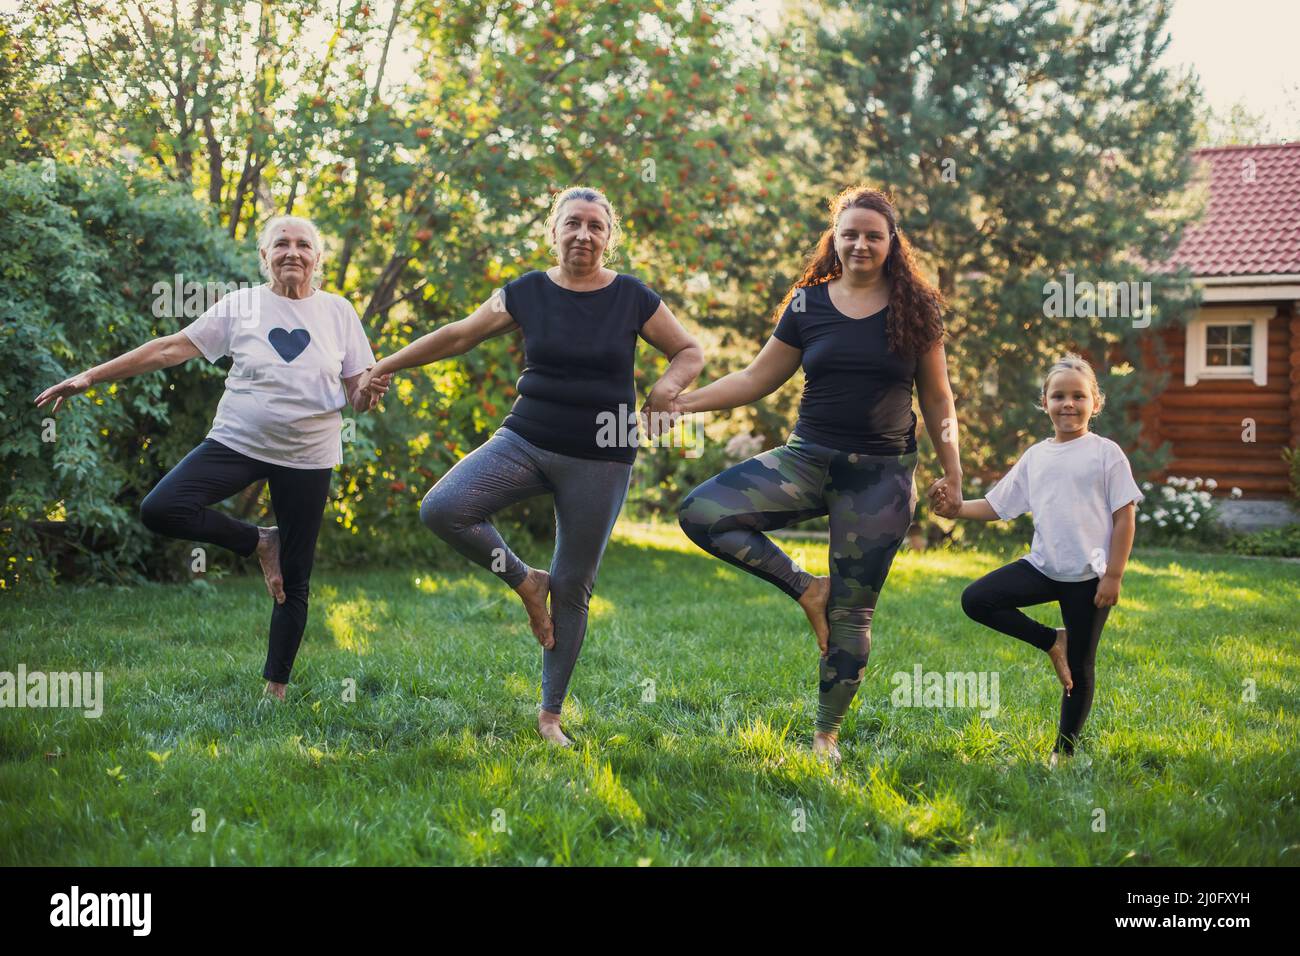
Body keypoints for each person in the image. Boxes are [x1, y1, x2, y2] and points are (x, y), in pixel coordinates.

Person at [357, 186, 703, 745]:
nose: (583, 235)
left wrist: (665, 388)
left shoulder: (633, 297)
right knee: (444, 508)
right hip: (525, 437)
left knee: (574, 585)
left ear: (608, 238)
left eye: (595, 226)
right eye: (573, 224)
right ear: (554, 231)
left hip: (602, 452)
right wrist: (385, 366)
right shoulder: (527, 292)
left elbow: (689, 350)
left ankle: (550, 716)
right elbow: (459, 335)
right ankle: (524, 580)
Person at [34, 215, 391, 700]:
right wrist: (90, 378)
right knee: (161, 508)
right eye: (280, 244)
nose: (292, 252)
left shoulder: (338, 312)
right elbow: (168, 349)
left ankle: (275, 689)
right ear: (264, 257)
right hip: (236, 442)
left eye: (303, 245)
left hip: (308, 457)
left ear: (317, 258)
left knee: (296, 576)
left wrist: (368, 392)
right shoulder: (243, 306)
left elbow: (356, 393)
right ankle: (258, 541)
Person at [674, 185, 962, 763]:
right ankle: (808, 589)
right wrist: (682, 405)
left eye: (872, 235)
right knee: (703, 512)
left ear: (891, 242)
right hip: (805, 460)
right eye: (849, 233)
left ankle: (825, 736)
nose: (859, 244)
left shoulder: (917, 307)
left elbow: (938, 400)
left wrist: (952, 474)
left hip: (879, 479)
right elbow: (756, 379)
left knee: (853, 616)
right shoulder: (807, 304)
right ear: (835, 236)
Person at [931, 353, 1141, 765]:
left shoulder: (1106, 453)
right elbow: (998, 505)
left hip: (1088, 578)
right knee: (977, 599)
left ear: (1094, 403)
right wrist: (956, 510)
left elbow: (1124, 516)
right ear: (1044, 401)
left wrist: (1113, 575)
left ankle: (1063, 753)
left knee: (1080, 672)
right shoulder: (1037, 456)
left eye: (1078, 396)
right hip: (1043, 567)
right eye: (1058, 395)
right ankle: (1051, 640)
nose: (1068, 404)